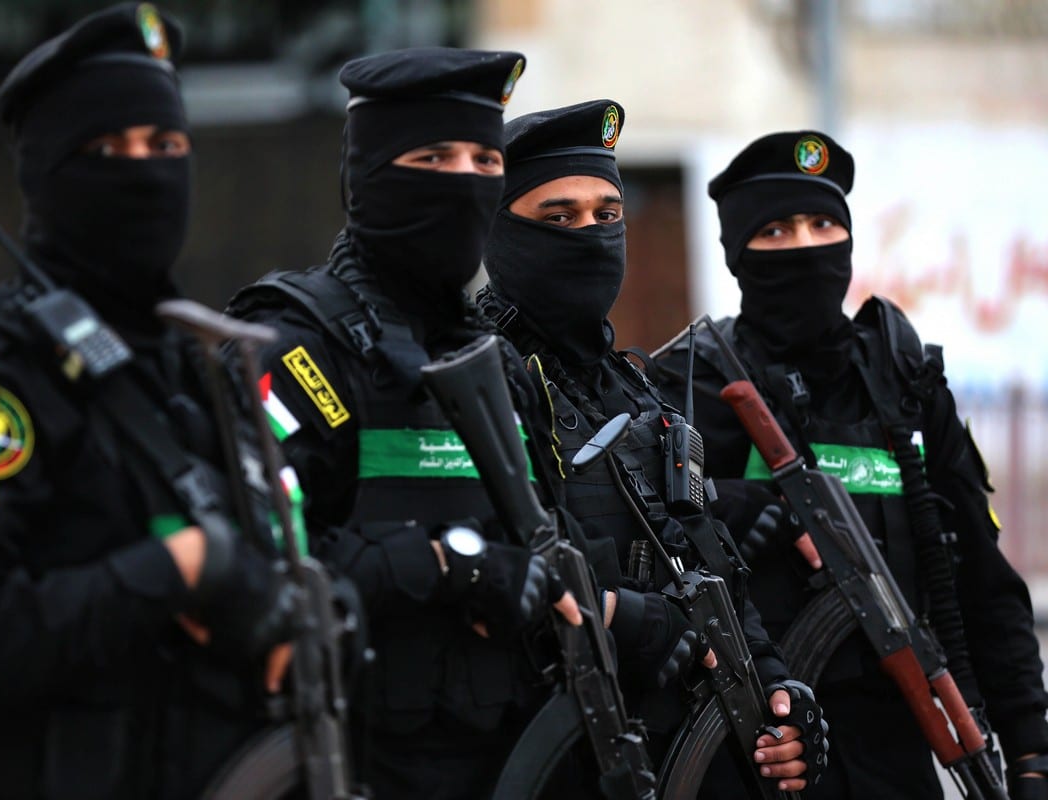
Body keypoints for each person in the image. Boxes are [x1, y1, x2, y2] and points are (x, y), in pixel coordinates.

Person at [0, 5, 295, 799]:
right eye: (107, 150)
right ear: (49, 175)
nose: (144, 171)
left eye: (165, 146)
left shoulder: (196, 364)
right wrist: (176, 568)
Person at [224, 48, 597, 799]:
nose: (465, 181)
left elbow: (552, 550)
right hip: (346, 762)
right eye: (434, 156)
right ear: (367, 175)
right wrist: (450, 566)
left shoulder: (501, 367)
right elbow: (254, 562)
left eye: (485, 158)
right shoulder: (298, 350)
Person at [653, 129, 1048, 799]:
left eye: (823, 224)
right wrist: (761, 511)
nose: (805, 247)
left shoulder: (903, 384)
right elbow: (648, 539)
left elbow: (985, 582)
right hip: (753, 749)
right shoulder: (692, 386)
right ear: (738, 255)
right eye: (776, 231)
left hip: (894, 746)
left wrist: (1032, 752)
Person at [477, 99, 827, 795]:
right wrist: (650, 626)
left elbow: (712, 566)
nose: (589, 234)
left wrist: (782, 692)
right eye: (558, 217)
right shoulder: (480, 378)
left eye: (606, 216)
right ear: (499, 232)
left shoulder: (635, 392)